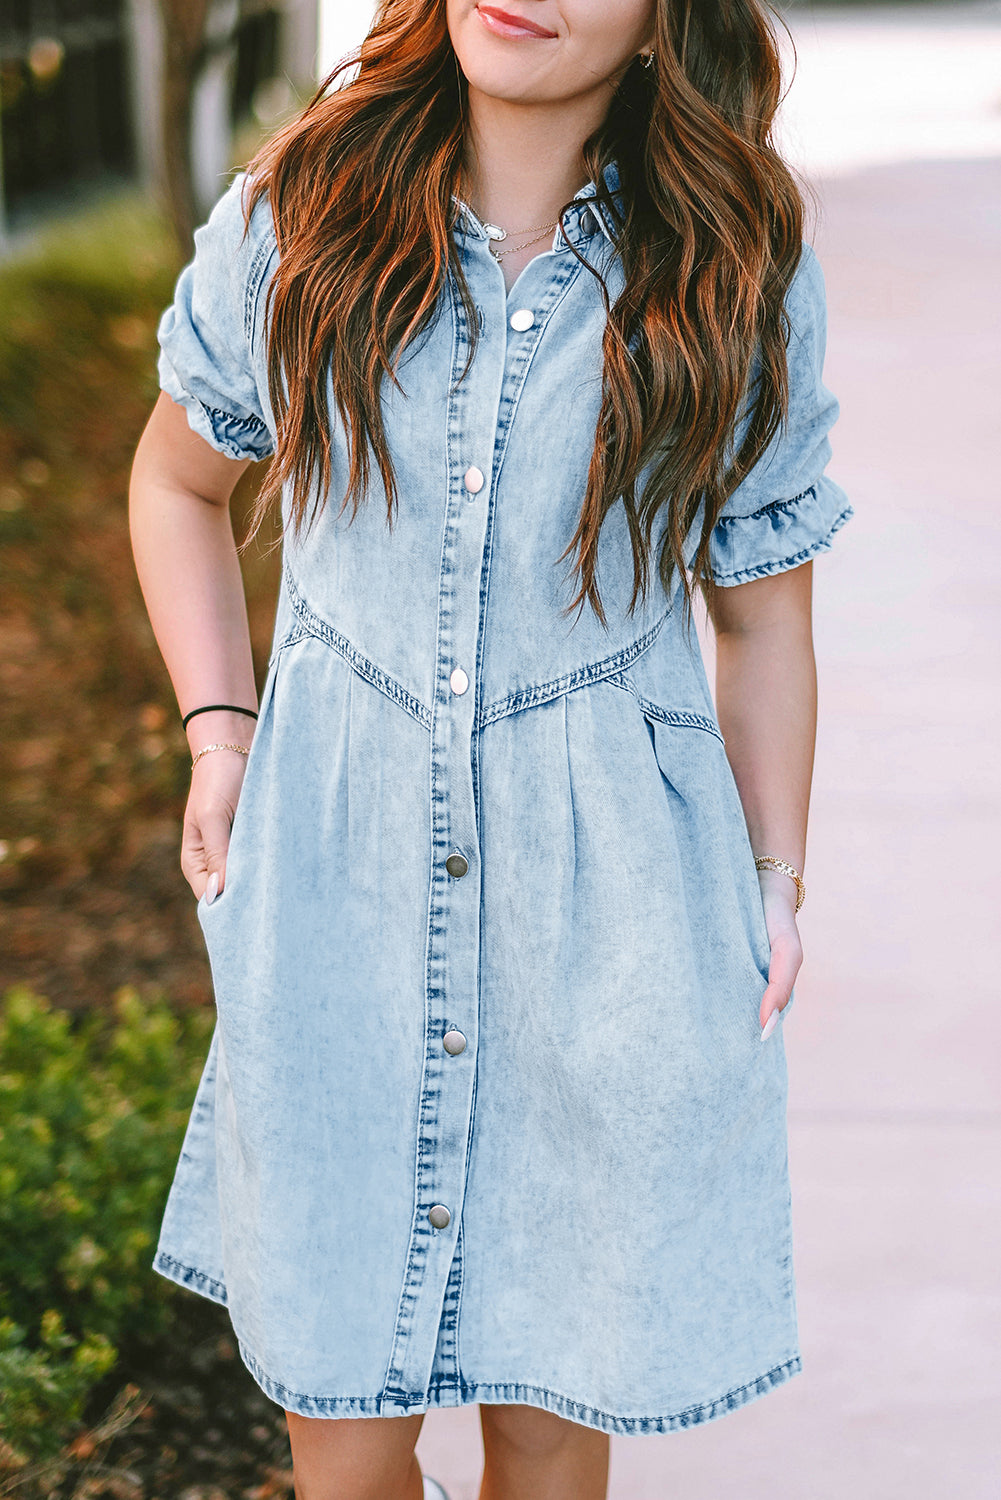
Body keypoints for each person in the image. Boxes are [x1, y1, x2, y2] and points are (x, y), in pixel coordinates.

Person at [128, 2, 853, 1497]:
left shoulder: (728, 267)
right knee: (340, 1448)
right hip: (336, 893)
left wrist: (773, 874)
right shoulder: (300, 211)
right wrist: (220, 731)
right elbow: (176, 481)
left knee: (543, 1428)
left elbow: (763, 618)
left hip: (609, 912)